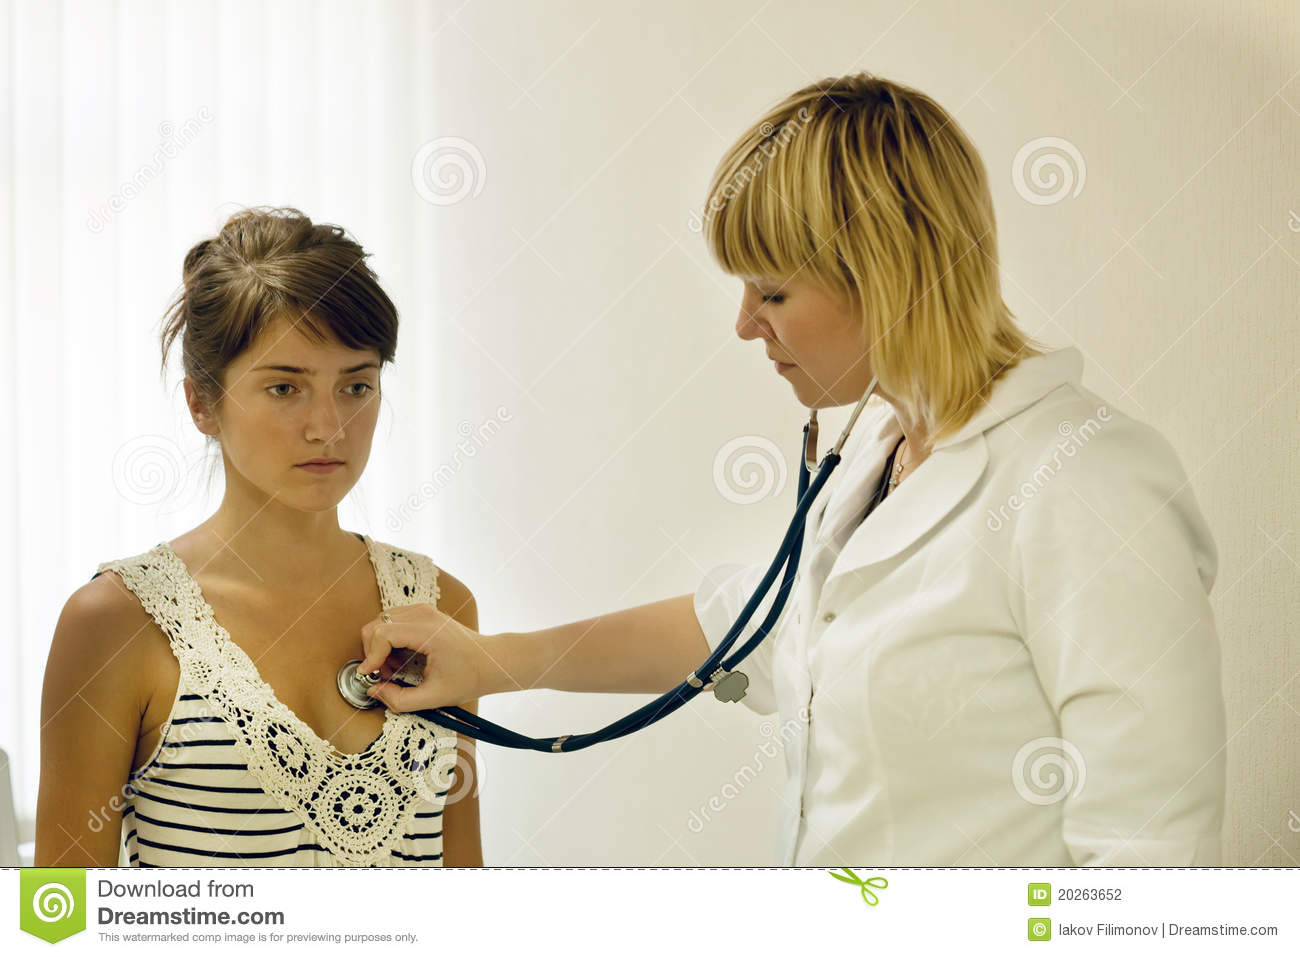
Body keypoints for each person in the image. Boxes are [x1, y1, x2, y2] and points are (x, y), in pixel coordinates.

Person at [354, 72, 1227, 867]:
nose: (744, 325)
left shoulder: (1086, 485)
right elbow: (758, 627)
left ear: (889, 274)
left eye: (772, 292)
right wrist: (491, 661)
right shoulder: (881, 451)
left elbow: (1150, 854)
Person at [36, 207, 483, 867]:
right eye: (284, 387)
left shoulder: (441, 604)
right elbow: (59, 920)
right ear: (202, 404)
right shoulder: (115, 622)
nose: (328, 426)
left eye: (356, 384)